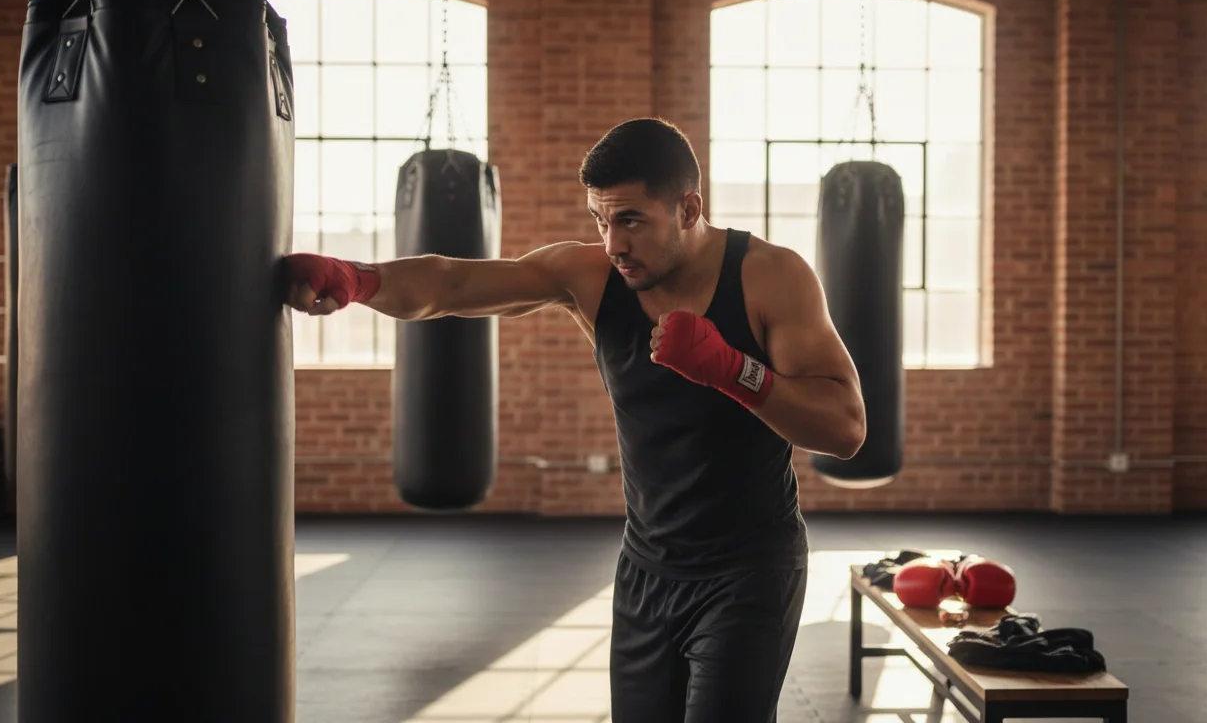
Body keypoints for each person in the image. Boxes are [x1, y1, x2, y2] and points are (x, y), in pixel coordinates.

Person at [283, 118, 867, 722]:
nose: (614, 242)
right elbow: (455, 282)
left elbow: (846, 428)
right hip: (646, 568)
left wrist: (731, 368)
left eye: (632, 220)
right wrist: (358, 278)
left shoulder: (770, 276)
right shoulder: (590, 278)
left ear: (689, 208)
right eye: (601, 219)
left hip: (748, 571)